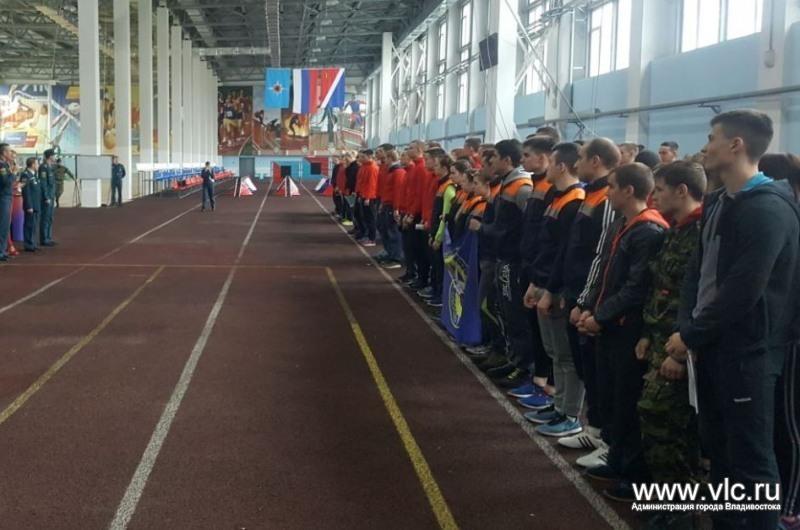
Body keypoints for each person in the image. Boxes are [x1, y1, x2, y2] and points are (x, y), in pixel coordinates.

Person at [669, 110, 799, 530]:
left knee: (752, 462)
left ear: (736, 145)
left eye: (712, 138)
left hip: (748, 353)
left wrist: (691, 334)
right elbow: (698, 270)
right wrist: (686, 325)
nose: (705, 147)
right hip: (714, 345)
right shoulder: (720, 200)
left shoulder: (768, 209)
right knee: (721, 453)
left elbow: (743, 291)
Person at [579, 163, 669, 501]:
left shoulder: (648, 231)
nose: (608, 192)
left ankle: (635, 472)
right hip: (611, 326)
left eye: (613, 186)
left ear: (629, 191)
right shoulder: (624, 225)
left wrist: (600, 317)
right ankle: (617, 460)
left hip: (627, 329)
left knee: (628, 402)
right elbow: (606, 273)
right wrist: (590, 308)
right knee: (613, 398)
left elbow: (635, 288)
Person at [635, 161, 706, 530]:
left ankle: (682, 510)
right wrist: (649, 333)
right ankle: (673, 502)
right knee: (662, 424)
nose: (654, 197)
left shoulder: (701, 233)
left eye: (660, 190)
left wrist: (683, 352)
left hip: (681, 350)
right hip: (662, 340)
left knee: (668, 426)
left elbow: (698, 300)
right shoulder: (675, 230)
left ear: (682, 191)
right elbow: (661, 287)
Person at [555, 138, 619, 465]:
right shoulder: (589, 194)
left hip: (590, 298)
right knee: (586, 366)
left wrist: (587, 302)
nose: (576, 163)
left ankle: (605, 434)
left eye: (581, 157)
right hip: (578, 292)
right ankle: (594, 428)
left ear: (595, 160)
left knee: (597, 370)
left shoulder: (607, 198)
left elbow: (601, 256)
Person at [524, 142, 586, 437]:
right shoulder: (557, 197)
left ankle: (570, 413)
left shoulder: (575, 201)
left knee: (565, 355)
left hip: (556, 288)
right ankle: (558, 404)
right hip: (543, 282)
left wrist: (551, 289)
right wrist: (535, 282)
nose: (546, 167)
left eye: (552, 163)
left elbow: (565, 253)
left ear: (561, 166)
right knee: (553, 351)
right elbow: (545, 245)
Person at [757, 153, 800, 530]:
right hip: (785, 331)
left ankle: (790, 504)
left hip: (791, 336)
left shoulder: (783, 213)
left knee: (790, 425)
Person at [469, 140, 533, 386]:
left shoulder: (521, 187)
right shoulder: (506, 184)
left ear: (507, 160)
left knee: (515, 315)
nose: (489, 161)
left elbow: (522, 228)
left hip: (512, 261)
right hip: (502, 258)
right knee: (504, 311)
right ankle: (512, 357)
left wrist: (483, 229)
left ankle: (522, 365)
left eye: (494, 156)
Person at [513, 135, 557, 398]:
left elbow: (549, 238)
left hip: (542, 271)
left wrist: (540, 276)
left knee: (547, 336)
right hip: (530, 265)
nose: (523, 159)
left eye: (527, 155)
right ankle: (538, 376)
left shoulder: (554, 190)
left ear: (543, 158)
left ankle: (546, 383)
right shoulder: (537, 185)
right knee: (534, 327)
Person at [355, 150, 379, 247]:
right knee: (365, 217)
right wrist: (359, 194)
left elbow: (371, 184)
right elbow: (361, 182)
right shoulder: (364, 167)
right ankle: (368, 236)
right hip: (363, 195)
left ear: (369, 157)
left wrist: (368, 197)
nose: (360, 158)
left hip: (369, 197)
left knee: (370, 218)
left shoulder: (372, 168)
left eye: (363, 157)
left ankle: (372, 239)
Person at [19, 157, 41, 252]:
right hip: (31, 205)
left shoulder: (34, 175)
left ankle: (33, 243)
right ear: (32, 165)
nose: (38, 165)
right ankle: (28, 245)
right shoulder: (25, 175)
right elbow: (26, 191)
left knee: (34, 225)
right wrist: (29, 206)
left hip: (36, 204)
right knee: (29, 225)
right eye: (37, 163)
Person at [0, 143, 17, 262]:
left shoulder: (6, 164)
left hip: (7, 196)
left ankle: (3, 250)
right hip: (3, 198)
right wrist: (14, 173)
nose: (11, 153)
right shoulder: (1, 165)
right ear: (4, 152)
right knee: (3, 225)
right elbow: (5, 181)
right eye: (9, 151)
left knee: (6, 226)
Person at [38, 148, 56, 246]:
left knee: (50, 217)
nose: (55, 157)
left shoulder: (50, 167)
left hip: (51, 196)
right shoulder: (43, 167)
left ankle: (48, 237)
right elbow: (43, 183)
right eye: (53, 155)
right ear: (50, 156)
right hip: (47, 196)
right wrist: (46, 197)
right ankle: (44, 239)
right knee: (45, 217)